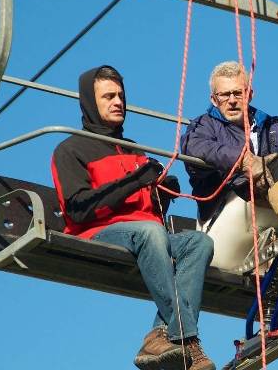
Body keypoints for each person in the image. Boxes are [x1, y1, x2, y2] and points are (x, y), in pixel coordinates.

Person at [51, 65, 215, 370]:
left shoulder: (135, 151)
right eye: (108, 96)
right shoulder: (71, 148)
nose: (118, 102)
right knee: (150, 233)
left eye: (121, 96)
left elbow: (147, 211)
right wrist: (135, 181)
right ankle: (188, 340)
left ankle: (159, 335)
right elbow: (77, 209)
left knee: (199, 242)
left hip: (145, 233)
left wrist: (161, 194)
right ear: (90, 101)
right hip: (98, 232)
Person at [180, 61, 278, 270]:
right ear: (214, 99)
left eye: (238, 93)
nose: (232, 101)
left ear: (250, 94)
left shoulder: (272, 129)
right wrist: (244, 161)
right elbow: (197, 148)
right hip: (227, 211)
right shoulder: (203, 126)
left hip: (269, 207)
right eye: (224, 95)